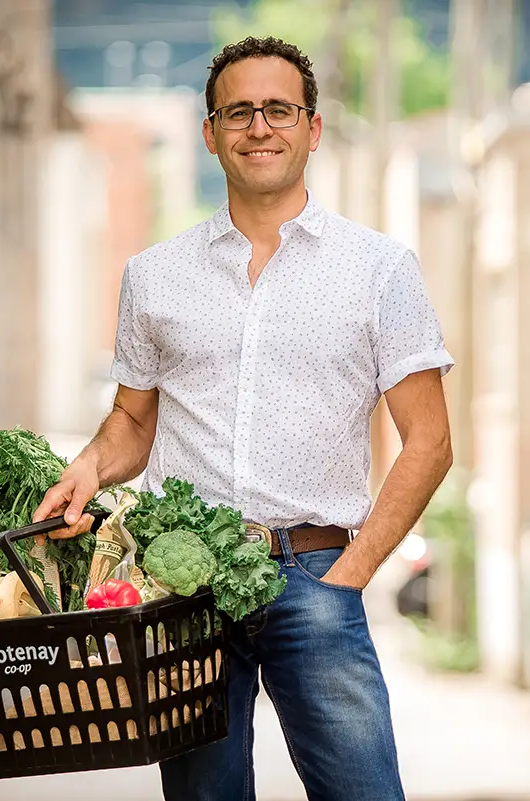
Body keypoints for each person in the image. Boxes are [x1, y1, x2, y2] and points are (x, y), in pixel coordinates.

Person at [32, 35, 454, 801]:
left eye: (279, 109)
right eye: (238, 112)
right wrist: (88, 468)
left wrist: (347, 579)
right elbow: (132, 421)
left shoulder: (378, 270)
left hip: (316, 574)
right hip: (183, 586)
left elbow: (429, 442)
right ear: (210, 133)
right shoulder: (154, 277)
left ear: (312, 127)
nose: (259, 127)